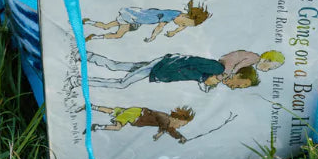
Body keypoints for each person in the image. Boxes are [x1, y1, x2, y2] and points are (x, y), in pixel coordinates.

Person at [85, 48, 284, 91]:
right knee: (122, 83)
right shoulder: (217, 67)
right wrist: (160, 73)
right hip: (161, 67)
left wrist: (206, 81)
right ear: (239, 74)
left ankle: (89, 57)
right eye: (240, 85)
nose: (235, 87)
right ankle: (80, 81)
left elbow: (201, 80)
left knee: (118, 66)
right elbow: (189, 61)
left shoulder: (216, 75)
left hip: (161, 68)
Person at [83, 0, 210, 42]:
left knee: (106, 26)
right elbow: (159, 27)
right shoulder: (169, 16)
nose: (182, 24)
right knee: (118, 35)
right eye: (184, 22)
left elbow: (184, 26)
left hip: (134, 15)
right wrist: (152, 37)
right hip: (132, 17)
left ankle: (88, 22)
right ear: (186, 16)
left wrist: (175, 32)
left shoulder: (177, 15)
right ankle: (93, 37)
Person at [89, 104, 194, 142]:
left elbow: (170, 130)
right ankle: (96, 127)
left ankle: (92, 107)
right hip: (136, 114)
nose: (179, 127)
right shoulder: (165, 118)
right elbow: (164, 125)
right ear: (176, 119)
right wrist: (159, 133)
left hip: (135, 112)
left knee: (112, 111)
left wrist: (180, 137)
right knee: (117, 127)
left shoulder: (167, 122)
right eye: (180, 124)